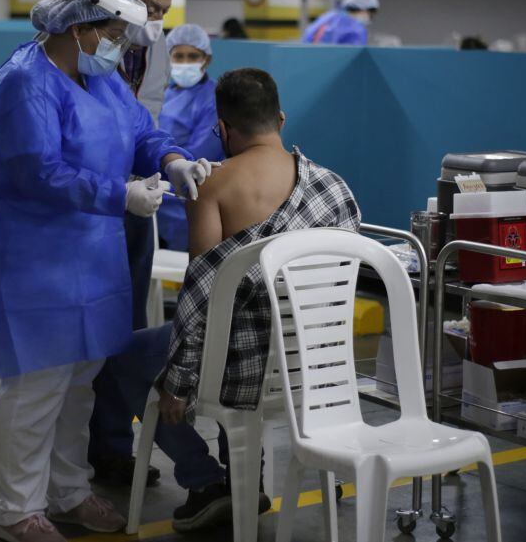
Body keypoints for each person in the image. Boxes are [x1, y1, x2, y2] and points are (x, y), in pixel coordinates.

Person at [0, 0, 216, 542]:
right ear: (80, 27)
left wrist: (173, 157)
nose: (120, 47)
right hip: (31, 251)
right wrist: (119, 195)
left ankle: (68, 491)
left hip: (88, 251)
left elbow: (139, 132)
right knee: (35, 385)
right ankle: (17, 510)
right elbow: (39, 171)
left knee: (80, 378)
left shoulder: (96, 79)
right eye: (114, 34)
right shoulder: (25, 84)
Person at [104, 68, 362, 531]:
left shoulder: (215, 187)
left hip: (242, 366)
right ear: (280, 119)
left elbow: (200, 302)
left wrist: (176, 383)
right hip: (312, 367)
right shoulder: (334, 188)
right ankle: (249, 482)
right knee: (241, 332)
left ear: (222, 129)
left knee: (125, 357)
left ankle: (205, 481)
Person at [87, 0, 177, 487]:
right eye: (150, 6)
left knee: (127, 327)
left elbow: (147, 118)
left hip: (134, 202)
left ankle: (113, 445)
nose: (157, 20)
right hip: (89, 204)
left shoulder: (153, 46)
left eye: (165, 9)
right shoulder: (81, 48)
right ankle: (74, 452)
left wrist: (167, 161)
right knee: (82, 330)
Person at [156, 24, 224, 250]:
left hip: (185, 196)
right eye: (179, 56)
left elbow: (201, 154)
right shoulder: (164, 93)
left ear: (206, 60)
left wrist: (163, 166)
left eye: (193, 56)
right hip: (157, 187)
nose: (185, 63)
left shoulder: (213, 99)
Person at [301, 0, 379, 46]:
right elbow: (356, 54)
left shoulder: (329, 17)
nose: (369, 17)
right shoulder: (354, 27)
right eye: (369, 13)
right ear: (361, 9)